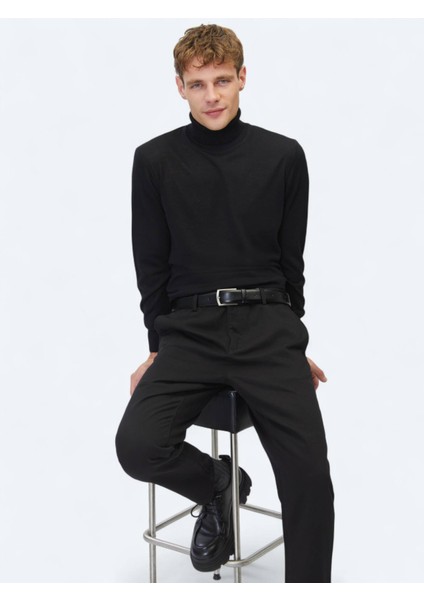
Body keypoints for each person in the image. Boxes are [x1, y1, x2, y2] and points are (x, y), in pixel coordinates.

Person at [115, 23, 335, 583]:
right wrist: (158, 347)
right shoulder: (154, 160)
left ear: (242, 78)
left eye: (221, 81)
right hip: (189, 331)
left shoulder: (284, 156)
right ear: (180, 87)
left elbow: (290, 261)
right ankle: (220, 483)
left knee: (310, 479)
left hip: (268, 328)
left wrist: (292, 341)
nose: (211, 96)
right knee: (137, 445)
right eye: (197, 84)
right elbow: (151, 266)